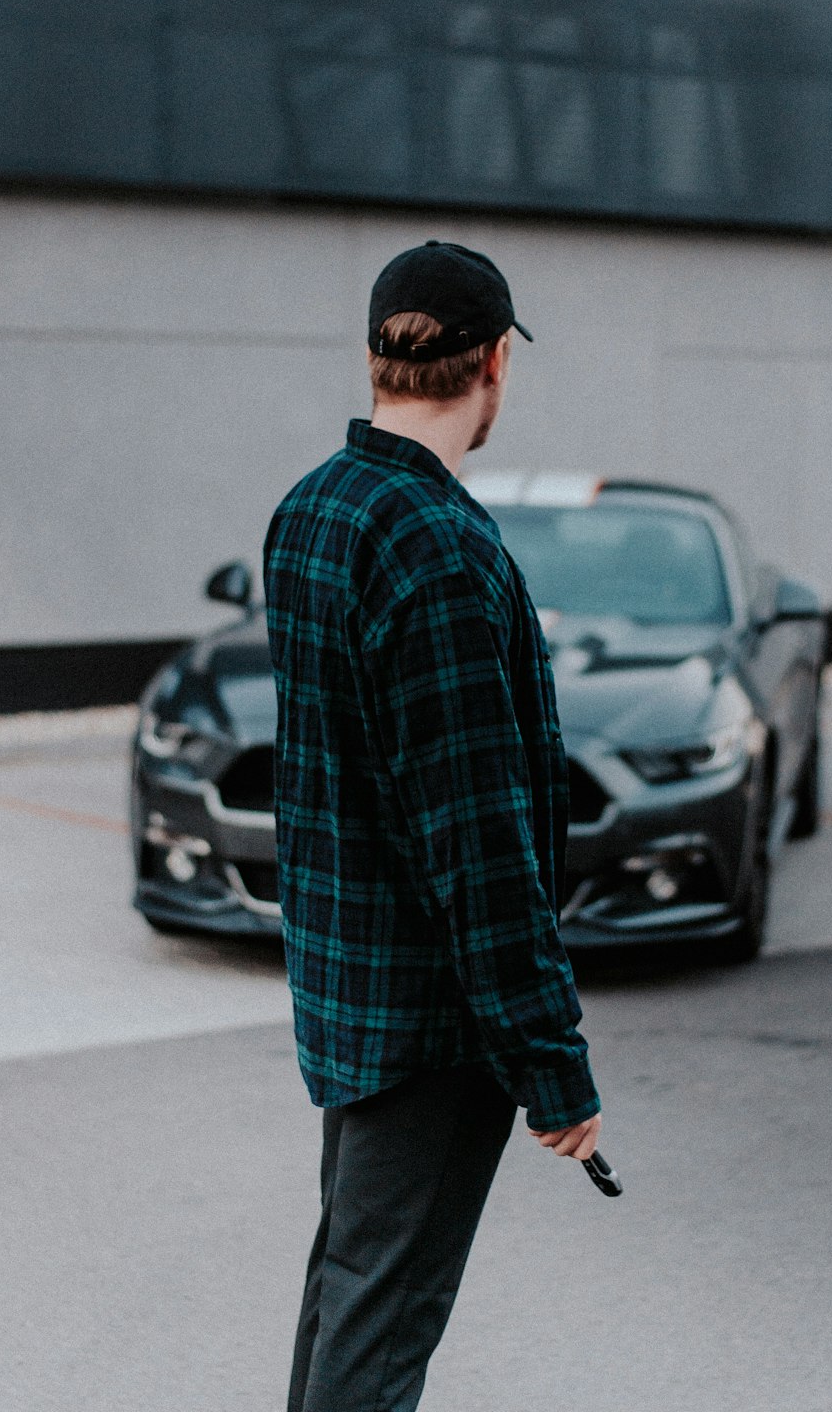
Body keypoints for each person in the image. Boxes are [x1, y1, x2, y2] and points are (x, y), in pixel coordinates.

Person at [263, 240, 602, 1412]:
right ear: (495, 363)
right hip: (432, 1023)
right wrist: (555, 1067)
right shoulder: (440, 548)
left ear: (377, 357)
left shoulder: (313, 509)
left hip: (349, 993)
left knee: (349, 1291)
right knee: (379, 1327)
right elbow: (480, 844)